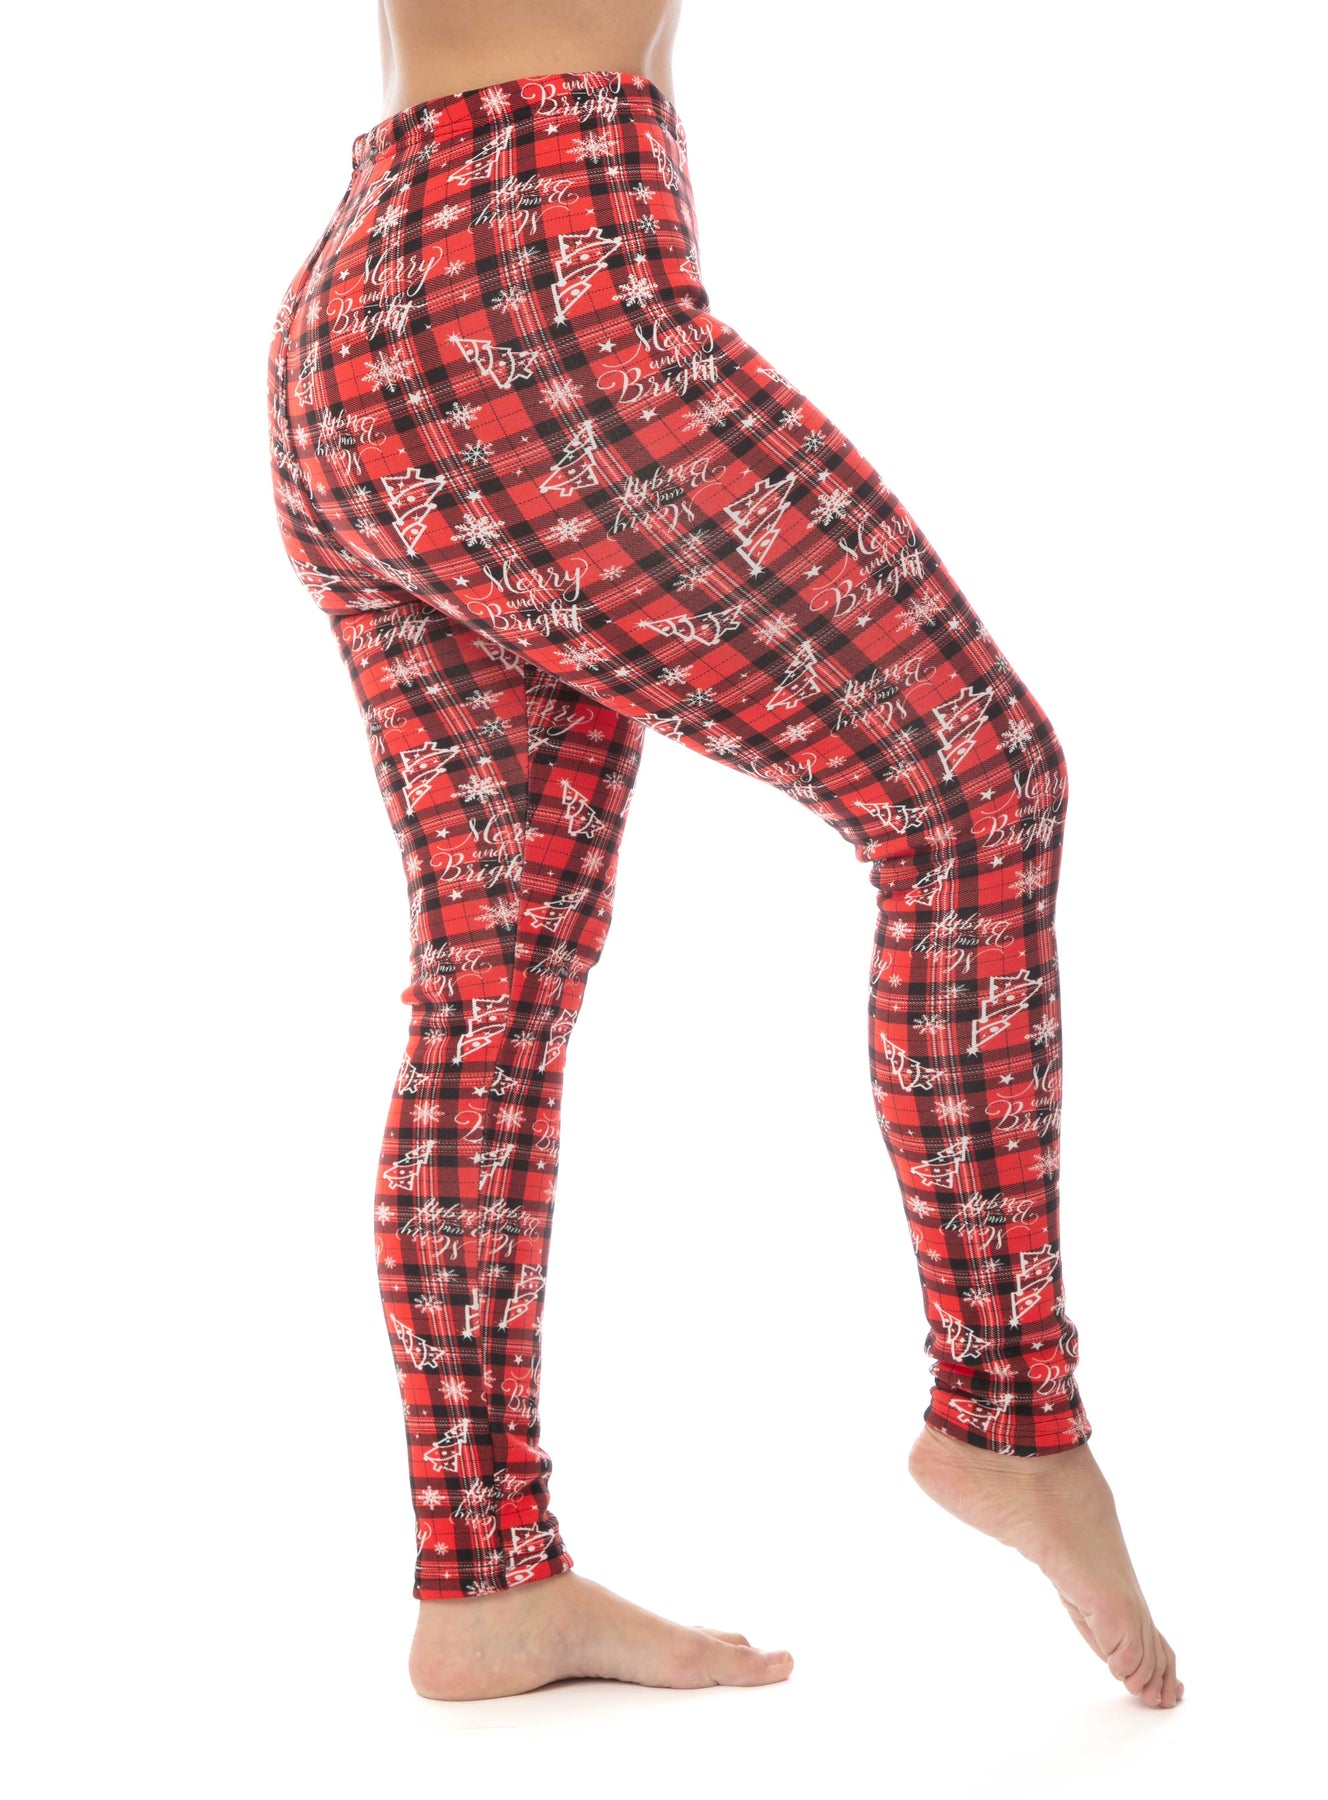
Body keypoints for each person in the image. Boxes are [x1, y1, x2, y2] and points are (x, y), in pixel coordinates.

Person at [266, 0, 1183, 1708]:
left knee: (490, 984)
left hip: (359, 326)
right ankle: (1008, 1408)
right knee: (974, 789)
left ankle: (484, 1578)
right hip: (535, 284)